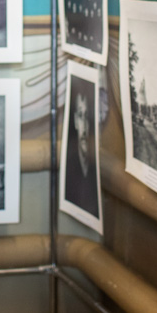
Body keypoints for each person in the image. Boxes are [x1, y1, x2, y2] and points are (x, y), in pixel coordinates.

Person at [63, 81, 100, 217]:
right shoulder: (70, 169)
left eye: (86, 116)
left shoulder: (94, 167)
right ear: (75, 120)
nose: (83, 126)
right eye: (80, 116)